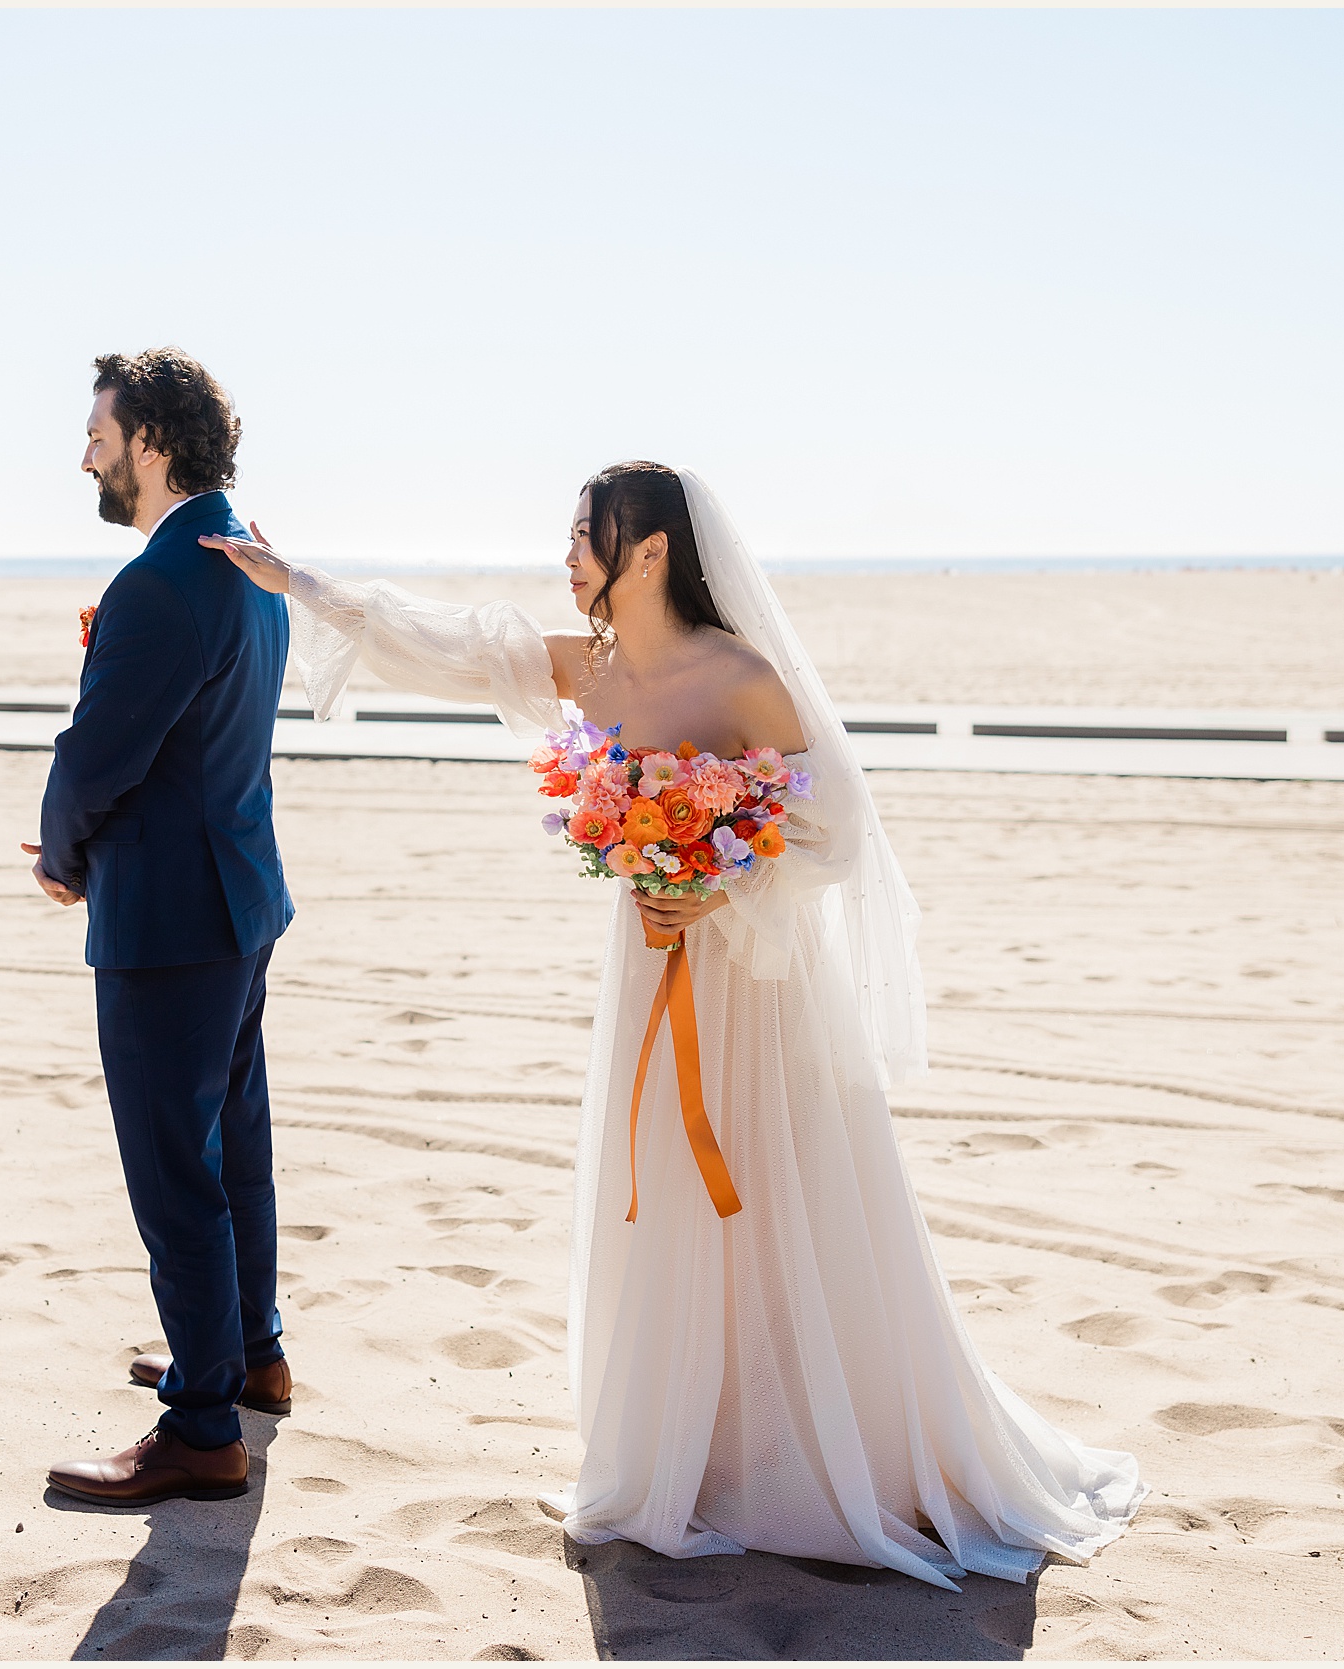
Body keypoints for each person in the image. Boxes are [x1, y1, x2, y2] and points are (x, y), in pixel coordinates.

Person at [201, 462, 1143, 1587]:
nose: (568, 554)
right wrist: (292, 577)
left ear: (649, 552)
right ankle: (697, 1457)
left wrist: (720, 882)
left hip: (754, 985)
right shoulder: (591, 669)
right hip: (649, 974)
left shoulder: (741, 675)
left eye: (585, 535)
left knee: (773, 1186)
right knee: (662, 1184)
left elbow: (837, 830)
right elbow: (450, 644)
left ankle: (821, 1449)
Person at [27, 348, 295, 1507]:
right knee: (234, 1143)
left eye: (99, 429)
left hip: (168, 918)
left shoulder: (164, 581)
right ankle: (248, 1356)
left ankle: (199, 1427)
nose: (84, 449)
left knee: (173, 1168)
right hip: (238, 896)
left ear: (152, 441)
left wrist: (62, 858)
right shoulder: (250, 557)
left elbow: (96, 757)